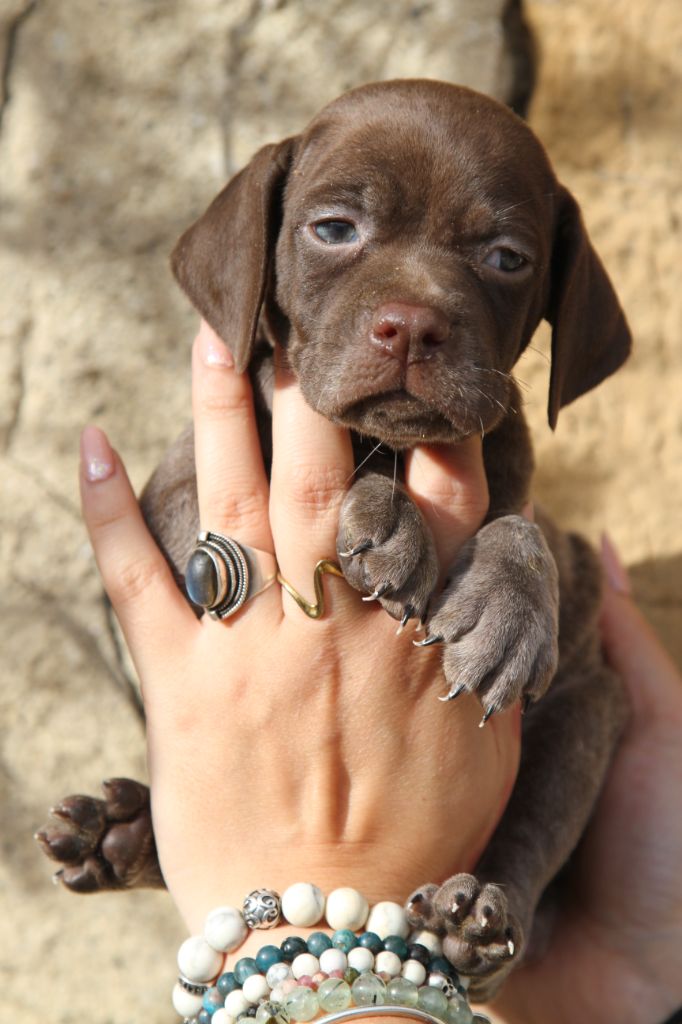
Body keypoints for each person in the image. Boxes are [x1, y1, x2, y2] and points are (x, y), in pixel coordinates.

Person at [78, 321, 682, 1024]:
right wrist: (644, 980)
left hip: (523, 882)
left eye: (505, 258)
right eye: (334, 228)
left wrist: (286, 907)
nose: (413, 314)